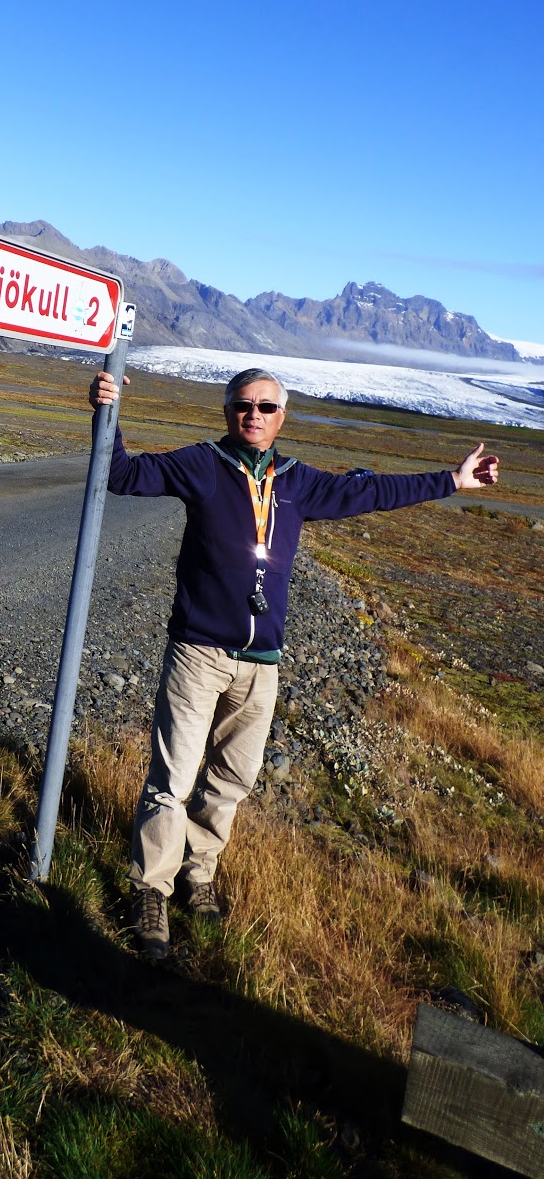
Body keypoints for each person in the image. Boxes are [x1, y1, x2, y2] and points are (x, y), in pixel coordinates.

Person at [89, 366, 499, 957]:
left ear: (282, 416)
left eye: (265, 407)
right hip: (199, 653)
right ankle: (150, 888)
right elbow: (122, 475)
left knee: (230, 781)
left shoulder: (297, 481)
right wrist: (108, 412)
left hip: (262, 664)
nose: (253, 415)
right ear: (227, 411)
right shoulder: (203, 464)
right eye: (242, 405)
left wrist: (452, 481)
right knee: (172, 781)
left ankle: (199, 875)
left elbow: (371, 493)